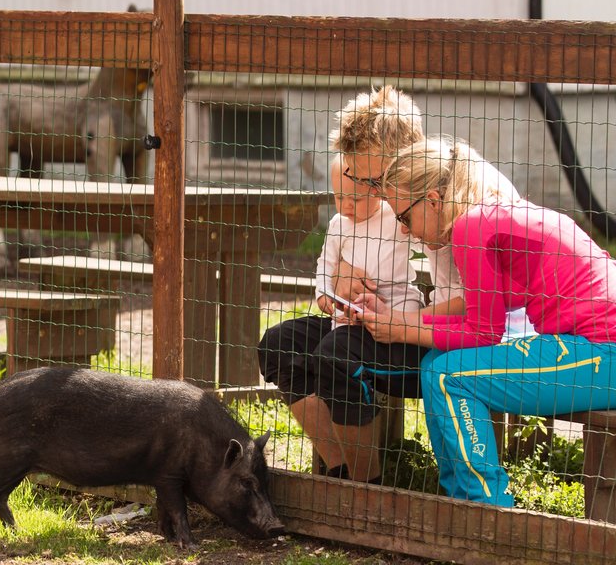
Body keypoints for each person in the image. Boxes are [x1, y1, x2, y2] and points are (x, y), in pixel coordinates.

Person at [357, 135, 616, 506]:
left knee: (448, 376)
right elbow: (476, 314)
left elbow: (483, 334)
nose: (403, 229)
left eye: (404, 216)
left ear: (432, 200)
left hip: (602, 351)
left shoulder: (470, 229)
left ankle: (489, 509)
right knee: (435, 365)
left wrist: (399, 328)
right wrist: (399, 318)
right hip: (591, 347)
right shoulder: (490, 216)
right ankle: (459, 500)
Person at [258, 157, 426, 484]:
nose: (346, 205)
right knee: (278, 344)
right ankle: (339, 468)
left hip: (395, 321)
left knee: (334, 352)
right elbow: (324, 269)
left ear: (378, 190)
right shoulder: (338, 225)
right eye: (338, 196)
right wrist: (327, 298)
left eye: (356, 198)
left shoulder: (396, 218)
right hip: (347, 321)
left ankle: (368, 484)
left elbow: (431, 238)